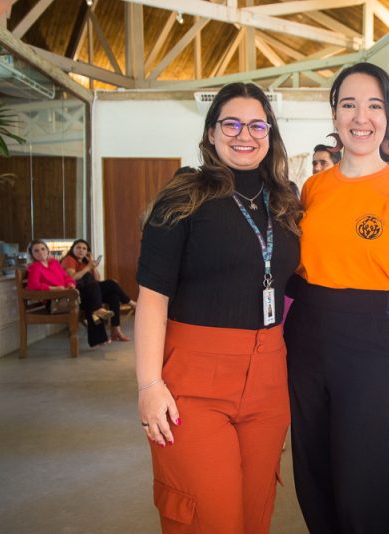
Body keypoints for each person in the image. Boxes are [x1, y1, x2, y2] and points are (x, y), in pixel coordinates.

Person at [134, 82, 301, 534]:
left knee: (254, 514)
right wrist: (149, 384)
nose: (244, 134)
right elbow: (152, 298)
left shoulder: (285, 202)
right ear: (211, 133)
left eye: (256, 124)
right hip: (194, 381)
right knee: (212, 518)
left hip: (269, 378)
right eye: (231, 123)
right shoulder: (183, 197)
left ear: (270, 134)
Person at [285, 62, 389, 533]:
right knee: (312, 478)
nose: (360, 117)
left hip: (368, 343)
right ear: (334, 115)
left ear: (387, 117)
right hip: (306, 337)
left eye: (374, 105)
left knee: (362, 485)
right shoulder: (312, 189)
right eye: (349, 104)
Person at [61, 239, 135, 343]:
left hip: (91, 290)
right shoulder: (69, 260)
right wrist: (88, 268)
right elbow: (72, 277)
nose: (81, 250)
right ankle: (130, 303)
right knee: (111, 284)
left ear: (87, 252)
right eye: (78, 247)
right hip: (78, 294)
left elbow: (97, 279)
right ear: (72, 249)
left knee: (113, 295)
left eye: (84, 248)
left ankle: (116, 330)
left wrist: (93, 266)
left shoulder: (85, 262)